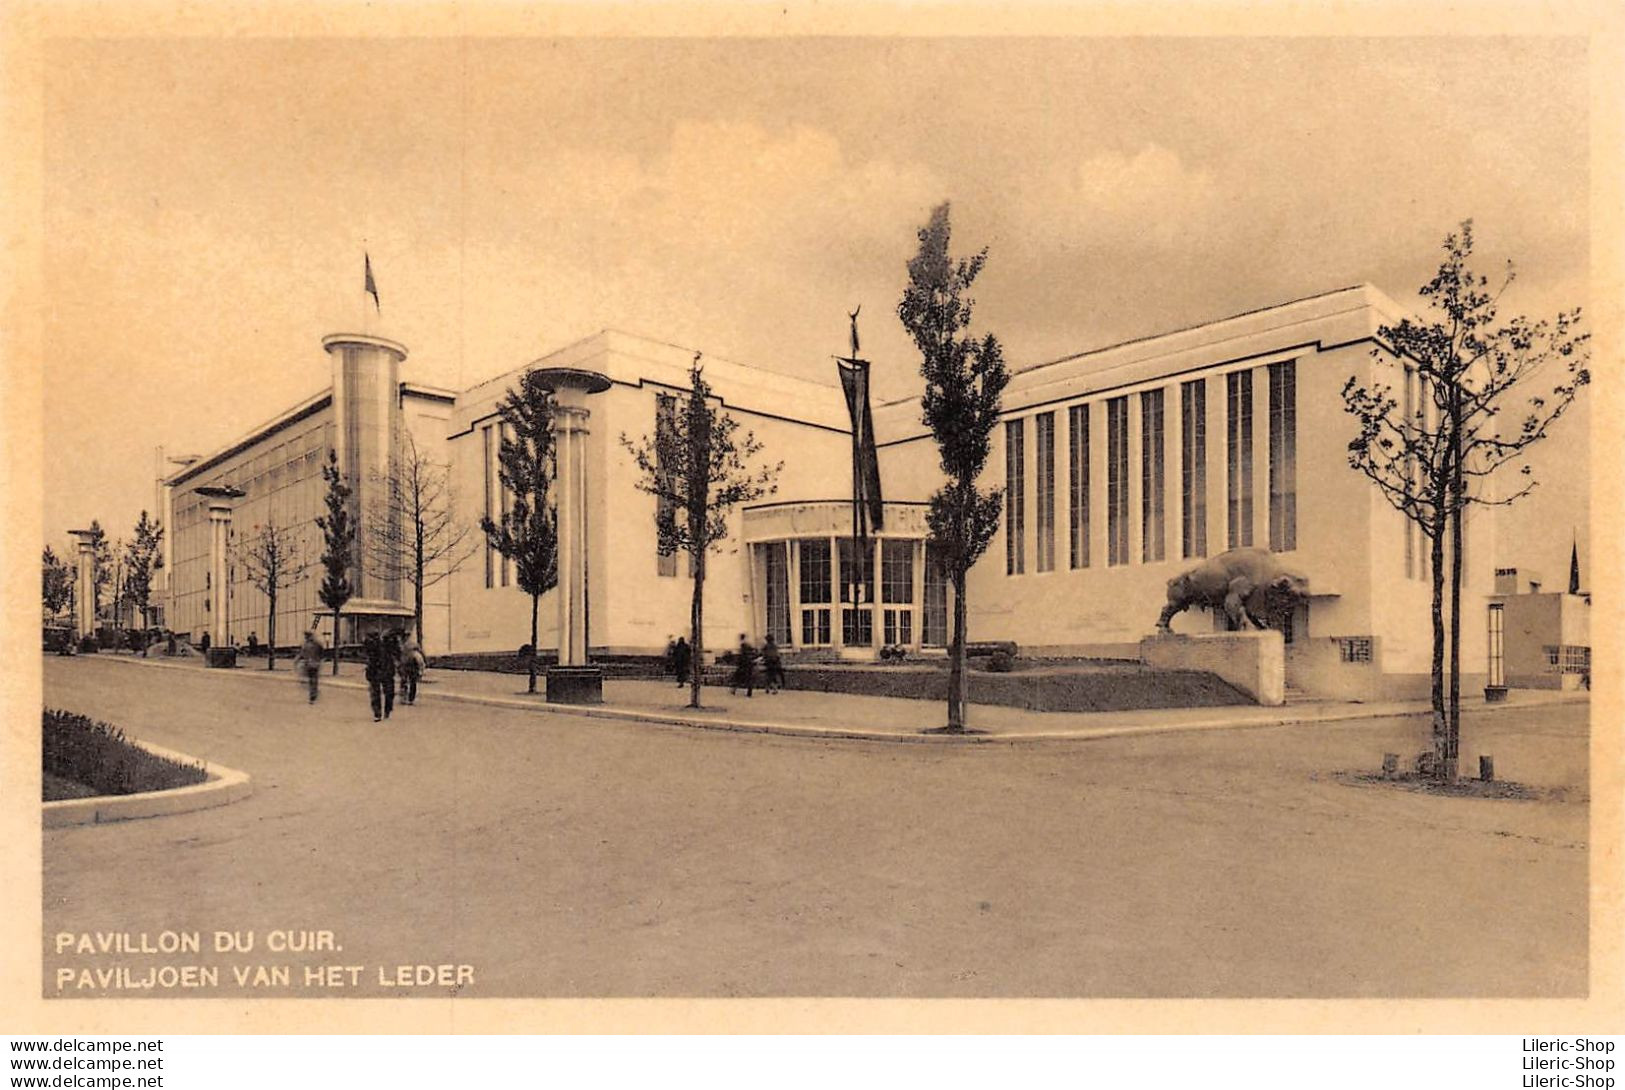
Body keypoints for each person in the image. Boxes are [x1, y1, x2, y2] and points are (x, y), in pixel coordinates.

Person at [364, 632, 397, 722]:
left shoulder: (372, 646)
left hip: (377, 671)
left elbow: (369, 659)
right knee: (388, 692)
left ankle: (378, 713)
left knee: (376, 693)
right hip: (385, 672)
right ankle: (385, 711)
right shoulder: (388, 645)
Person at [294, 630, 324, 703]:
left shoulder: (306, 644)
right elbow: (322, 653)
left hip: (310, 664)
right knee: (313, 680)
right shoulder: (316, 644)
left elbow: (302, 654)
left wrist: (297, 661)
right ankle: (314, 693)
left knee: (311, 680)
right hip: (314, 664)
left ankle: (313, 695)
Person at [398, 631, 426, 706]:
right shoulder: (410, 645)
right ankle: (409, 698)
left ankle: (406, 698)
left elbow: (419, 659)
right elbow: (421, 658)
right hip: (410, 667)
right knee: (411, 683)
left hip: (409, 666)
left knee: (406, 682)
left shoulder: (407, 647)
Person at [729, 633, 756, 698]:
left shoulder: (743, 645)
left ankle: (734, 690)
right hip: (749, 663)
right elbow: (753, 652)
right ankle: (749, 692)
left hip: (743, 664)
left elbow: (742, 655)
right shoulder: (748, 645)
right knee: (748, 678)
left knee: (738, 677)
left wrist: (738, 662)